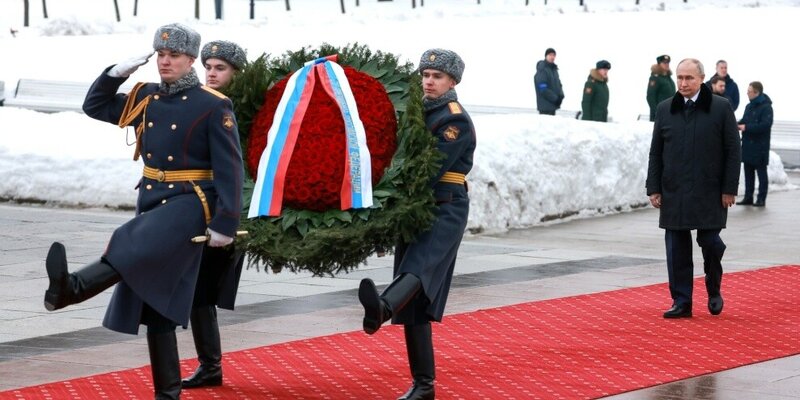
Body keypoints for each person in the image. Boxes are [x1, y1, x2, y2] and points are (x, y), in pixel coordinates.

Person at [44, 23, 244, 399]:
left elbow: (232, 167)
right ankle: (167, 392)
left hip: (193, 201)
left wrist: (226, 222)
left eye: (174, 56)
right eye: (161, 55)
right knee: (155, 300)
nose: (165, 61)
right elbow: (95, 106)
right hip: (153, 200)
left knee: (126, 239)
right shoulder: (147, 97)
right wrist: (115, 74)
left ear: (190, 61)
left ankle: (73, 288)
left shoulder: (214, 104)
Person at [358, 48, 475, 400]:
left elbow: (429, 170)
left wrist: (393, 201)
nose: (429, 81)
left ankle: (382, 307)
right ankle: (423, 385)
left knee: (418, 270)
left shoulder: (454, 120)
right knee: (417, 301)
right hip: (416, 206)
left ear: (453, 81)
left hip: (444, 206)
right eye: (425, 75)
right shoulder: (417, 113)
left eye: (437, 76)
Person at [646, 58, 740, 320]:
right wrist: (654, 187)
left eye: (689, 78)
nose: (683, 83)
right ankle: (682, 301)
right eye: (680, 78)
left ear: (701, 79)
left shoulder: (721, 107)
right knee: (676, 249)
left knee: (710, 242)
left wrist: (729, 188)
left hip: (710, 190)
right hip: (674, 190)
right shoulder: (666, 109)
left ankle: (713, 286)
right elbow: (656, 152)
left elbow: (733, 151)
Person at [180, 39, 248, 390]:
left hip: (230, 210)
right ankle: (210, 366)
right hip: (203, 207)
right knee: (200, 290)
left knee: (205, 288)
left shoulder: (239, 109)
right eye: (208, 66)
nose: (211, 72)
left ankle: (210, 365)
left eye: (220, 68)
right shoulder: (203, 105)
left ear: (237, 73)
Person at [737, 81, 773, 207]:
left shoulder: (766, 107)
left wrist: (746, 127)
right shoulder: (749, 106)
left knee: (761, 174)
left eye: (749, 91)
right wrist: (736, 124)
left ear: (756, 93)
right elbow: (744, 120)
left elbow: (765, 125)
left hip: (760, 147)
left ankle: (761, 198)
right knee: (748, 173)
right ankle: (748, 197)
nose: (747, 93)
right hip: (747, 145)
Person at [534, 47, 564, 115]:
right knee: (546, 125)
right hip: (545, 107)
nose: (552, 57)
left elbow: (559, 84)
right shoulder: (542, 69)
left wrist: (561, 96)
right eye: (550, 55)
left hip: (552, 106)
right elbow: (543, 89)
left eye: (554, 55)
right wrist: (555, 99)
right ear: (546, 56)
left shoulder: (554, 70)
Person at [646, 54, 676, 122]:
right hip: (660, 116)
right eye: (664, 62)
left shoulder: (669, 79)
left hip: (670, 114)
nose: (667, 64)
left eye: (668, 62)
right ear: (659, 64)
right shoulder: (655, 78)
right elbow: (650, 97)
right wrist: (657, 112)